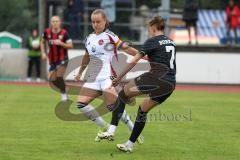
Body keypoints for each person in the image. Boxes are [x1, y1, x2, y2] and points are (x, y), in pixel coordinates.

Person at [98, 16, 176, 153]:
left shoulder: (152, 41)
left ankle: (111, 130)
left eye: (149, 29)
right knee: (143, 110)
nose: (148, 31)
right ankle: (129, 145)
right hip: (170, 83)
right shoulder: (171, 42)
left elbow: (134, 61)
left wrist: (119, 76)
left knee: (122, 94)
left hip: (155, 78)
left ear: (153, 27)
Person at [74, 9, 144, 143]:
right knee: (81, 104)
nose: (95, 24)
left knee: (114, 107)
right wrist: (80, 72)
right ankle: (104, 126)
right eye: (93, 22)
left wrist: (141, 55)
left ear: (105, 21)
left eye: (98, 21)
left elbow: (126, 47)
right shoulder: (89, 38)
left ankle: (133, 130)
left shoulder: (110, 35)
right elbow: (86, 56)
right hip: (93, 78)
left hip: (108, 77)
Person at [40, 16, 73, 101]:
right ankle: (65, 89)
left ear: (60, 22)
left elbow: (70, 45)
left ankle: (63, 95)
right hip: (52, 60)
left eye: (56, 21)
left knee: (59, 75)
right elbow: (42, 42)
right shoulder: (47, 32)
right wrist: (43, 53)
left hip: (63, 59)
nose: (55, 23)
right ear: (51, 23)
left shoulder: (64, 33)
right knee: (52, 79)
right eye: (53, 21)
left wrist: (61, 43)